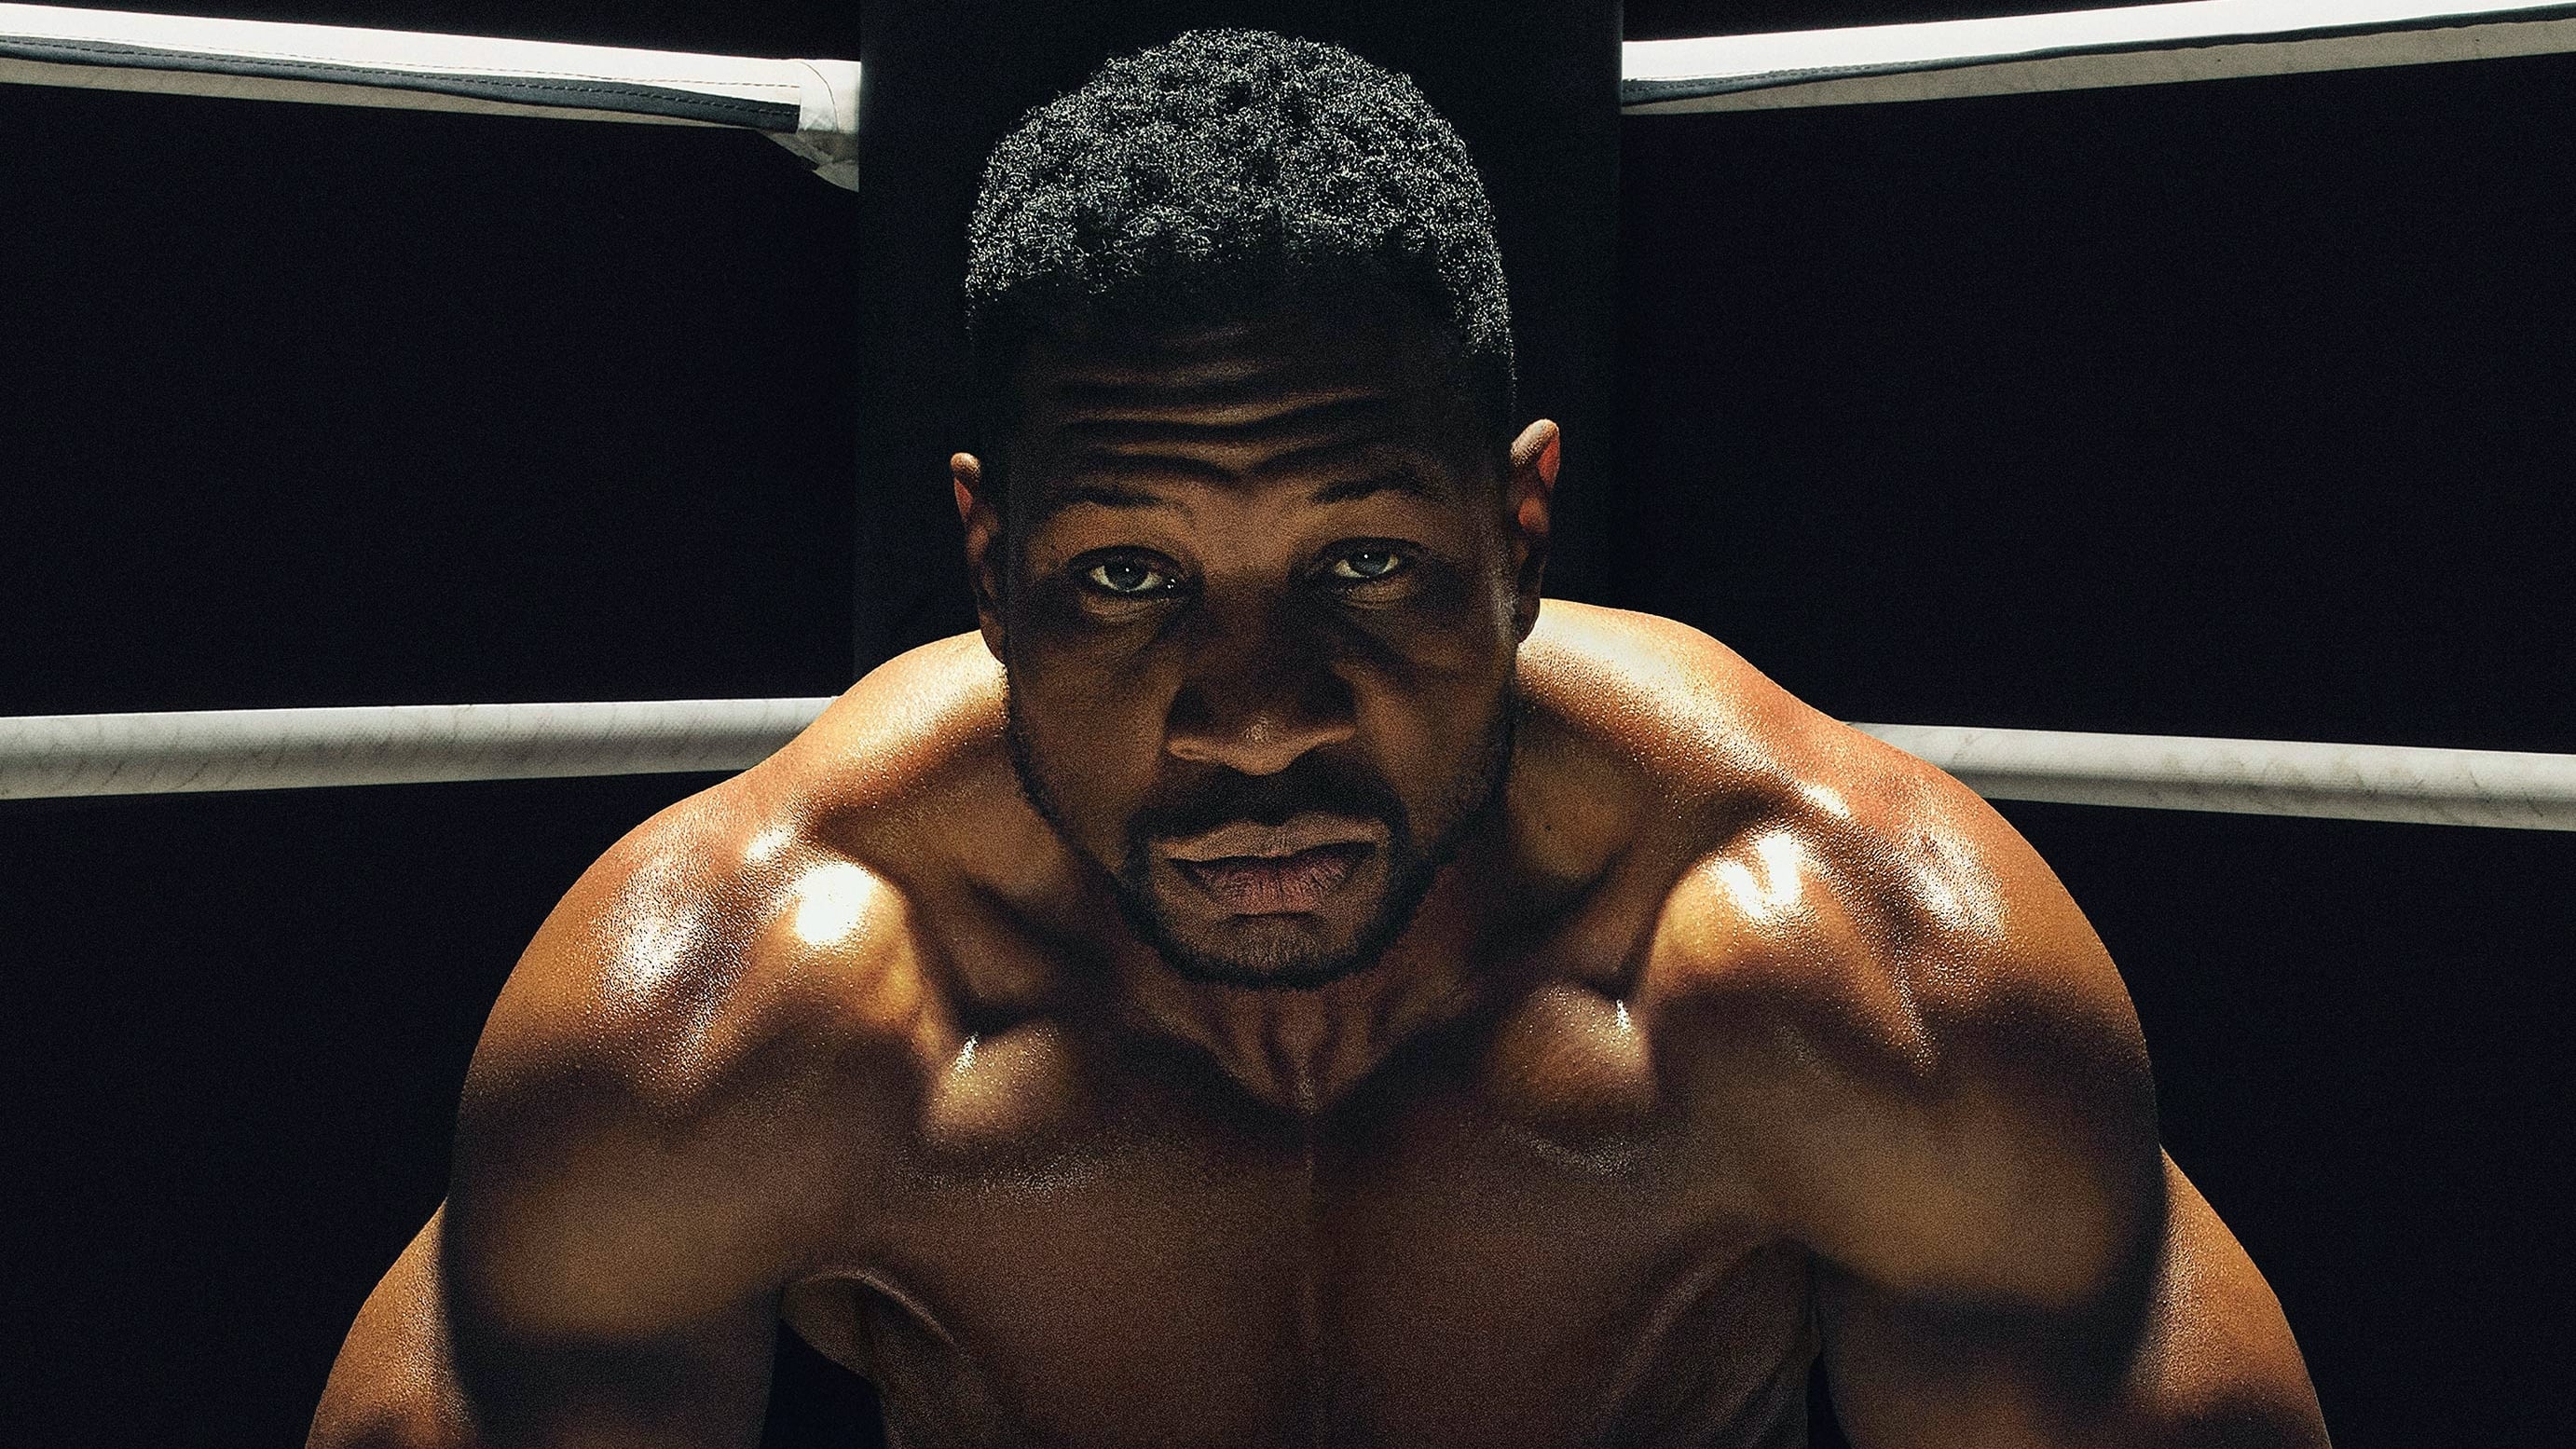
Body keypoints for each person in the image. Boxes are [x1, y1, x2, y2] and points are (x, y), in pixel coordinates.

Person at [311, 30, 2329, 1448]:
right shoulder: (733, 1024)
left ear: (1514, 534)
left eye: (1360, 564)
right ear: (987, 566)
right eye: (1124, 580)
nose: (1254, 720)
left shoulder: (1858, 985)